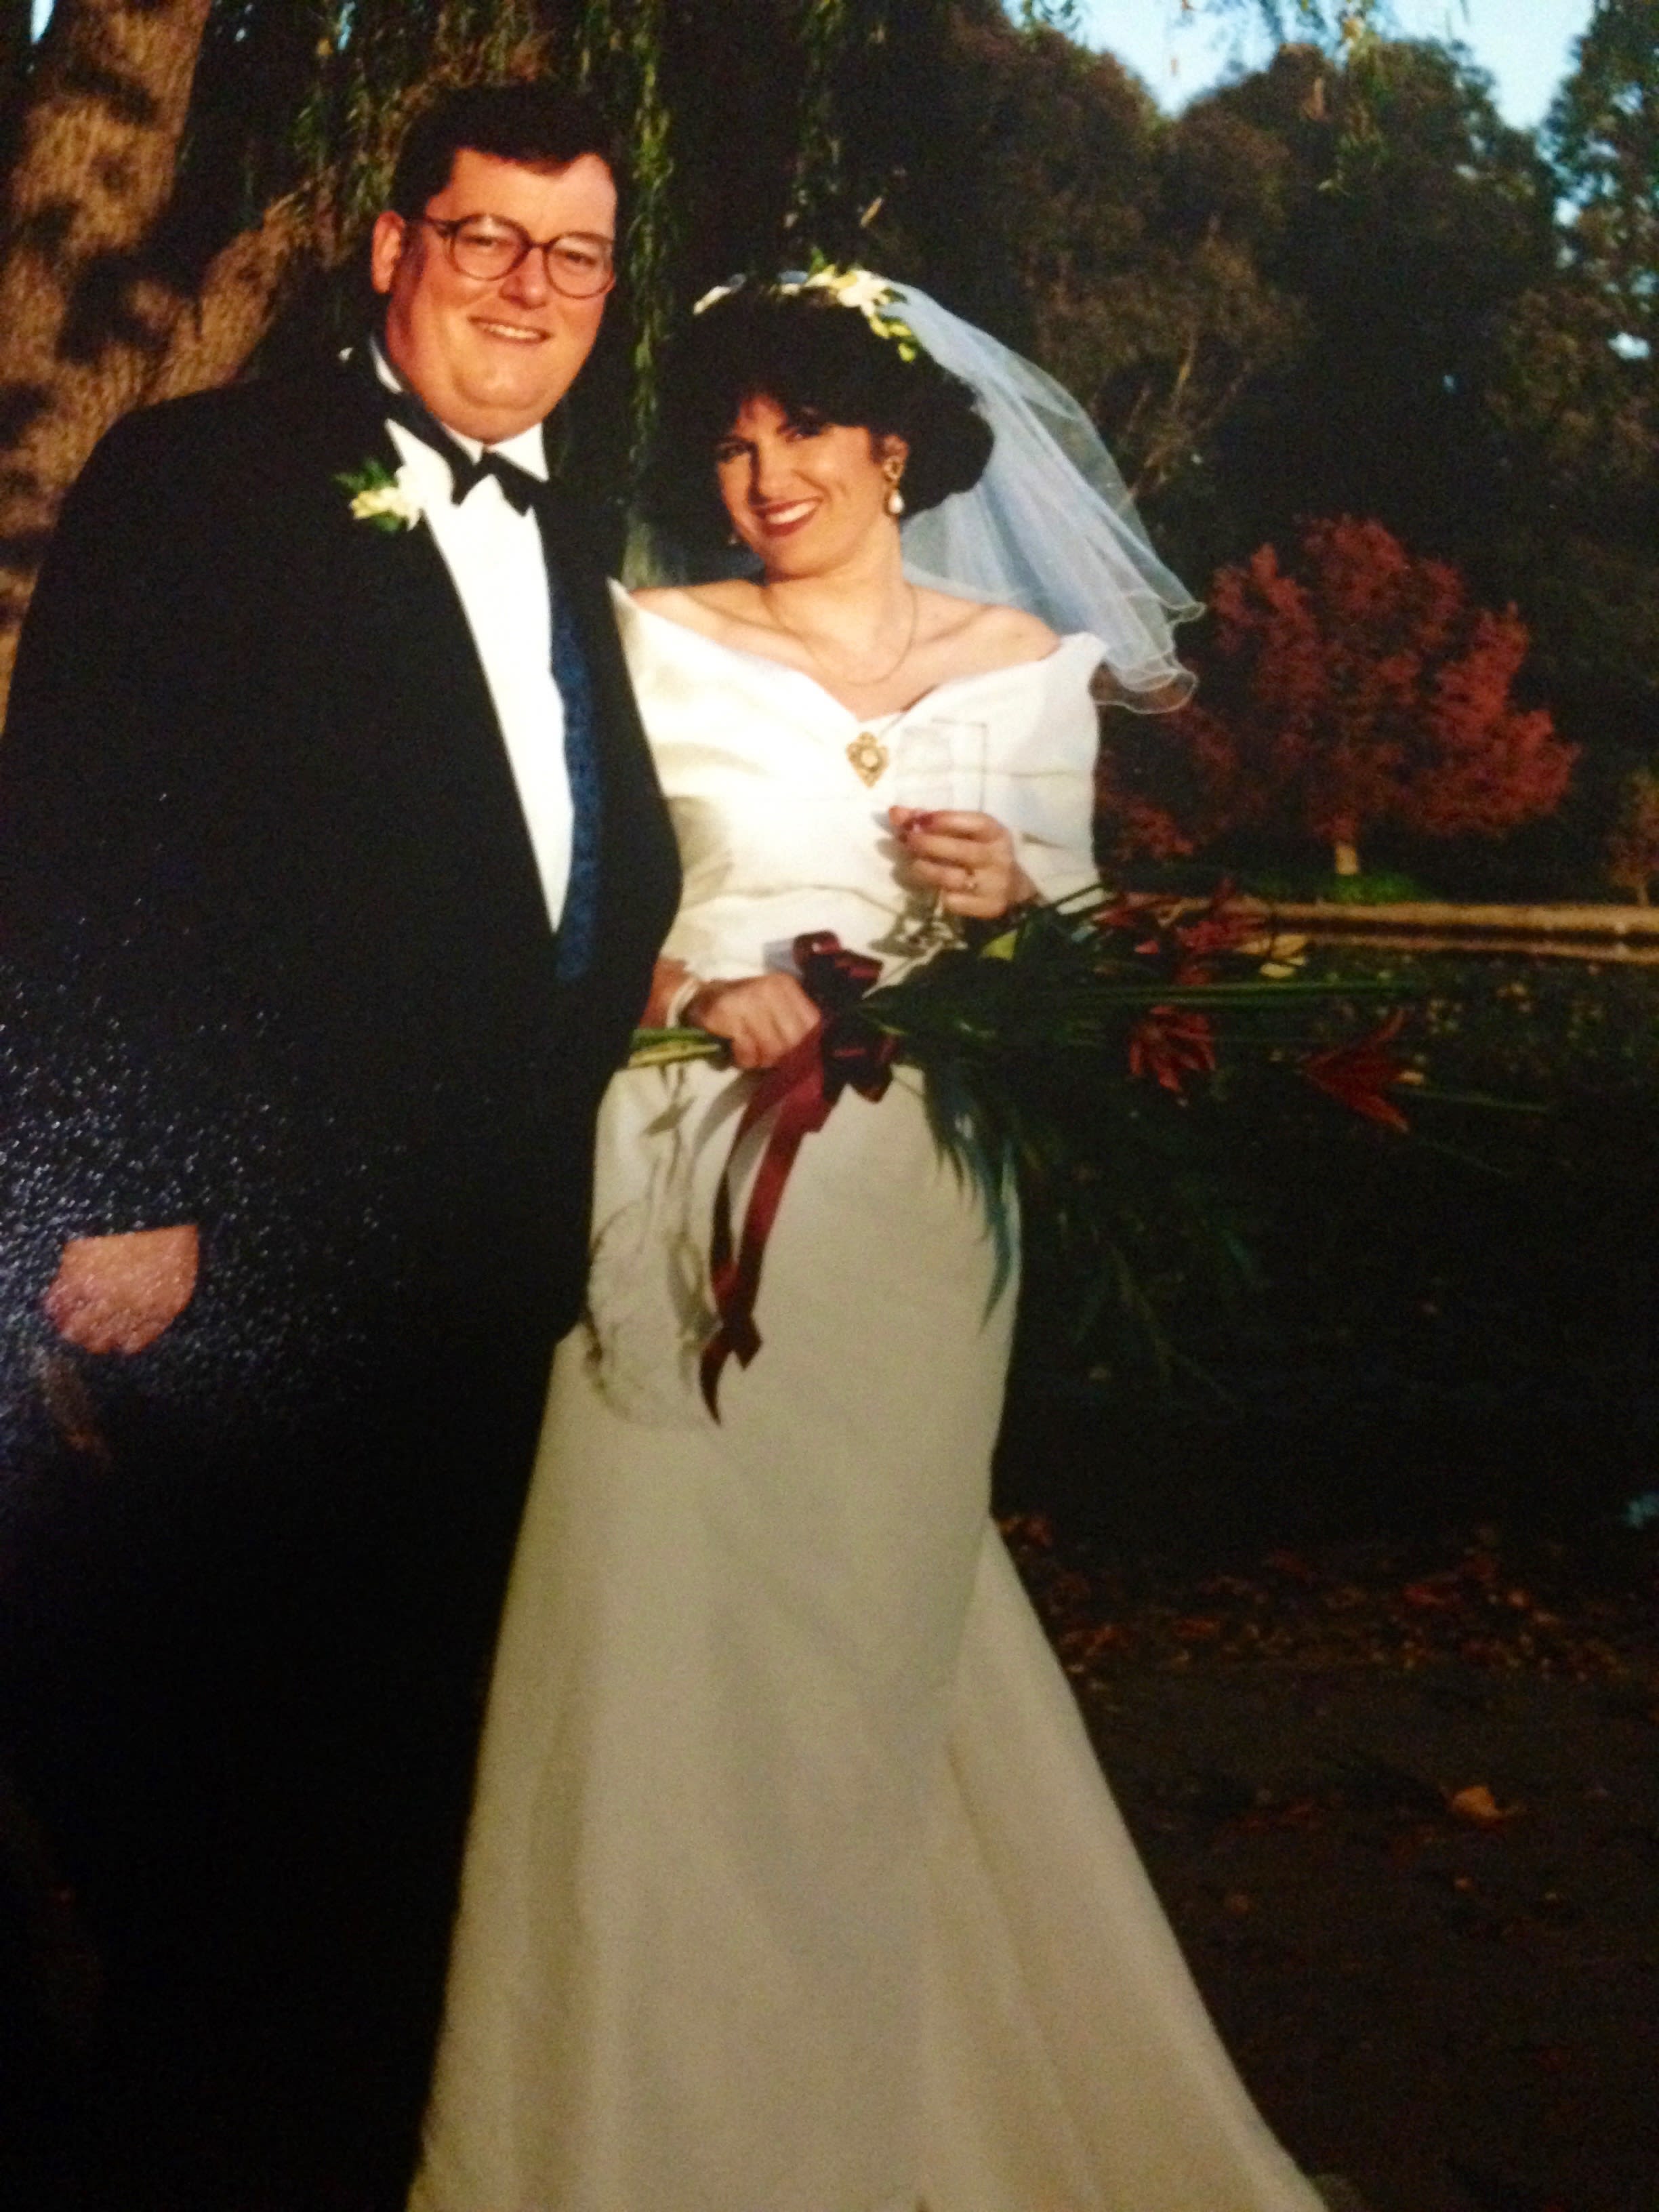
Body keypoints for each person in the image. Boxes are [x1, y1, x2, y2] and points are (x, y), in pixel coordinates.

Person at [409, 273, 1347, 2211]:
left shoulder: (1029, 667)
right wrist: (690, 982)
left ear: (892, 449)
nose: (763, 477)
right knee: (657, 1641)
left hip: (918, 1203)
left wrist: (1016, 900)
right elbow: (550, 913)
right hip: (692, 1165)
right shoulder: (648, 640)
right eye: (733, 444)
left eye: (803, 435)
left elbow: (1075, 966)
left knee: (870, 1648)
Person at [0, 82, 679, 2209]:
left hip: (488, 1277)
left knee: (405, 1801)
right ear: (393, 249)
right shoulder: (206, 476)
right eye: (487, 239)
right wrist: (127, 1190)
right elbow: (82, 838)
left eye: (574, 255)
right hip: (254, 1265)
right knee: (239, 1805)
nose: (529, 289)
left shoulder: (574, 532)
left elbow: (556, 884)